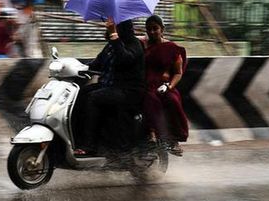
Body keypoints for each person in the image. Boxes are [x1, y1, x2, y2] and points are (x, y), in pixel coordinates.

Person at [74, 18, 145, 156]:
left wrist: (114, 36)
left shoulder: (134, 43)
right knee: (80, 94)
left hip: (128, 90)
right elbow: (96, 63)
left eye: (116, 26)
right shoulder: (110, 46)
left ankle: (90, 145)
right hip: (110, 86)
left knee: (93, 98)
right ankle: (77, 138)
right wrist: (75, 66)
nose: (110, 28)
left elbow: (125, 59)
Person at [141, 15, 189, 157]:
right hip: (145, 85)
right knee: (150, 100)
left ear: (162, 29)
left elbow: (178, 73)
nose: (152, 32)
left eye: (155, 29)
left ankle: (173, 140)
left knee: (172, 101)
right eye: (149, 29)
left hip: (164, 86)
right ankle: (151, 133)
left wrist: (169, 86)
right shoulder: (141, 45)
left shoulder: (172, 48)